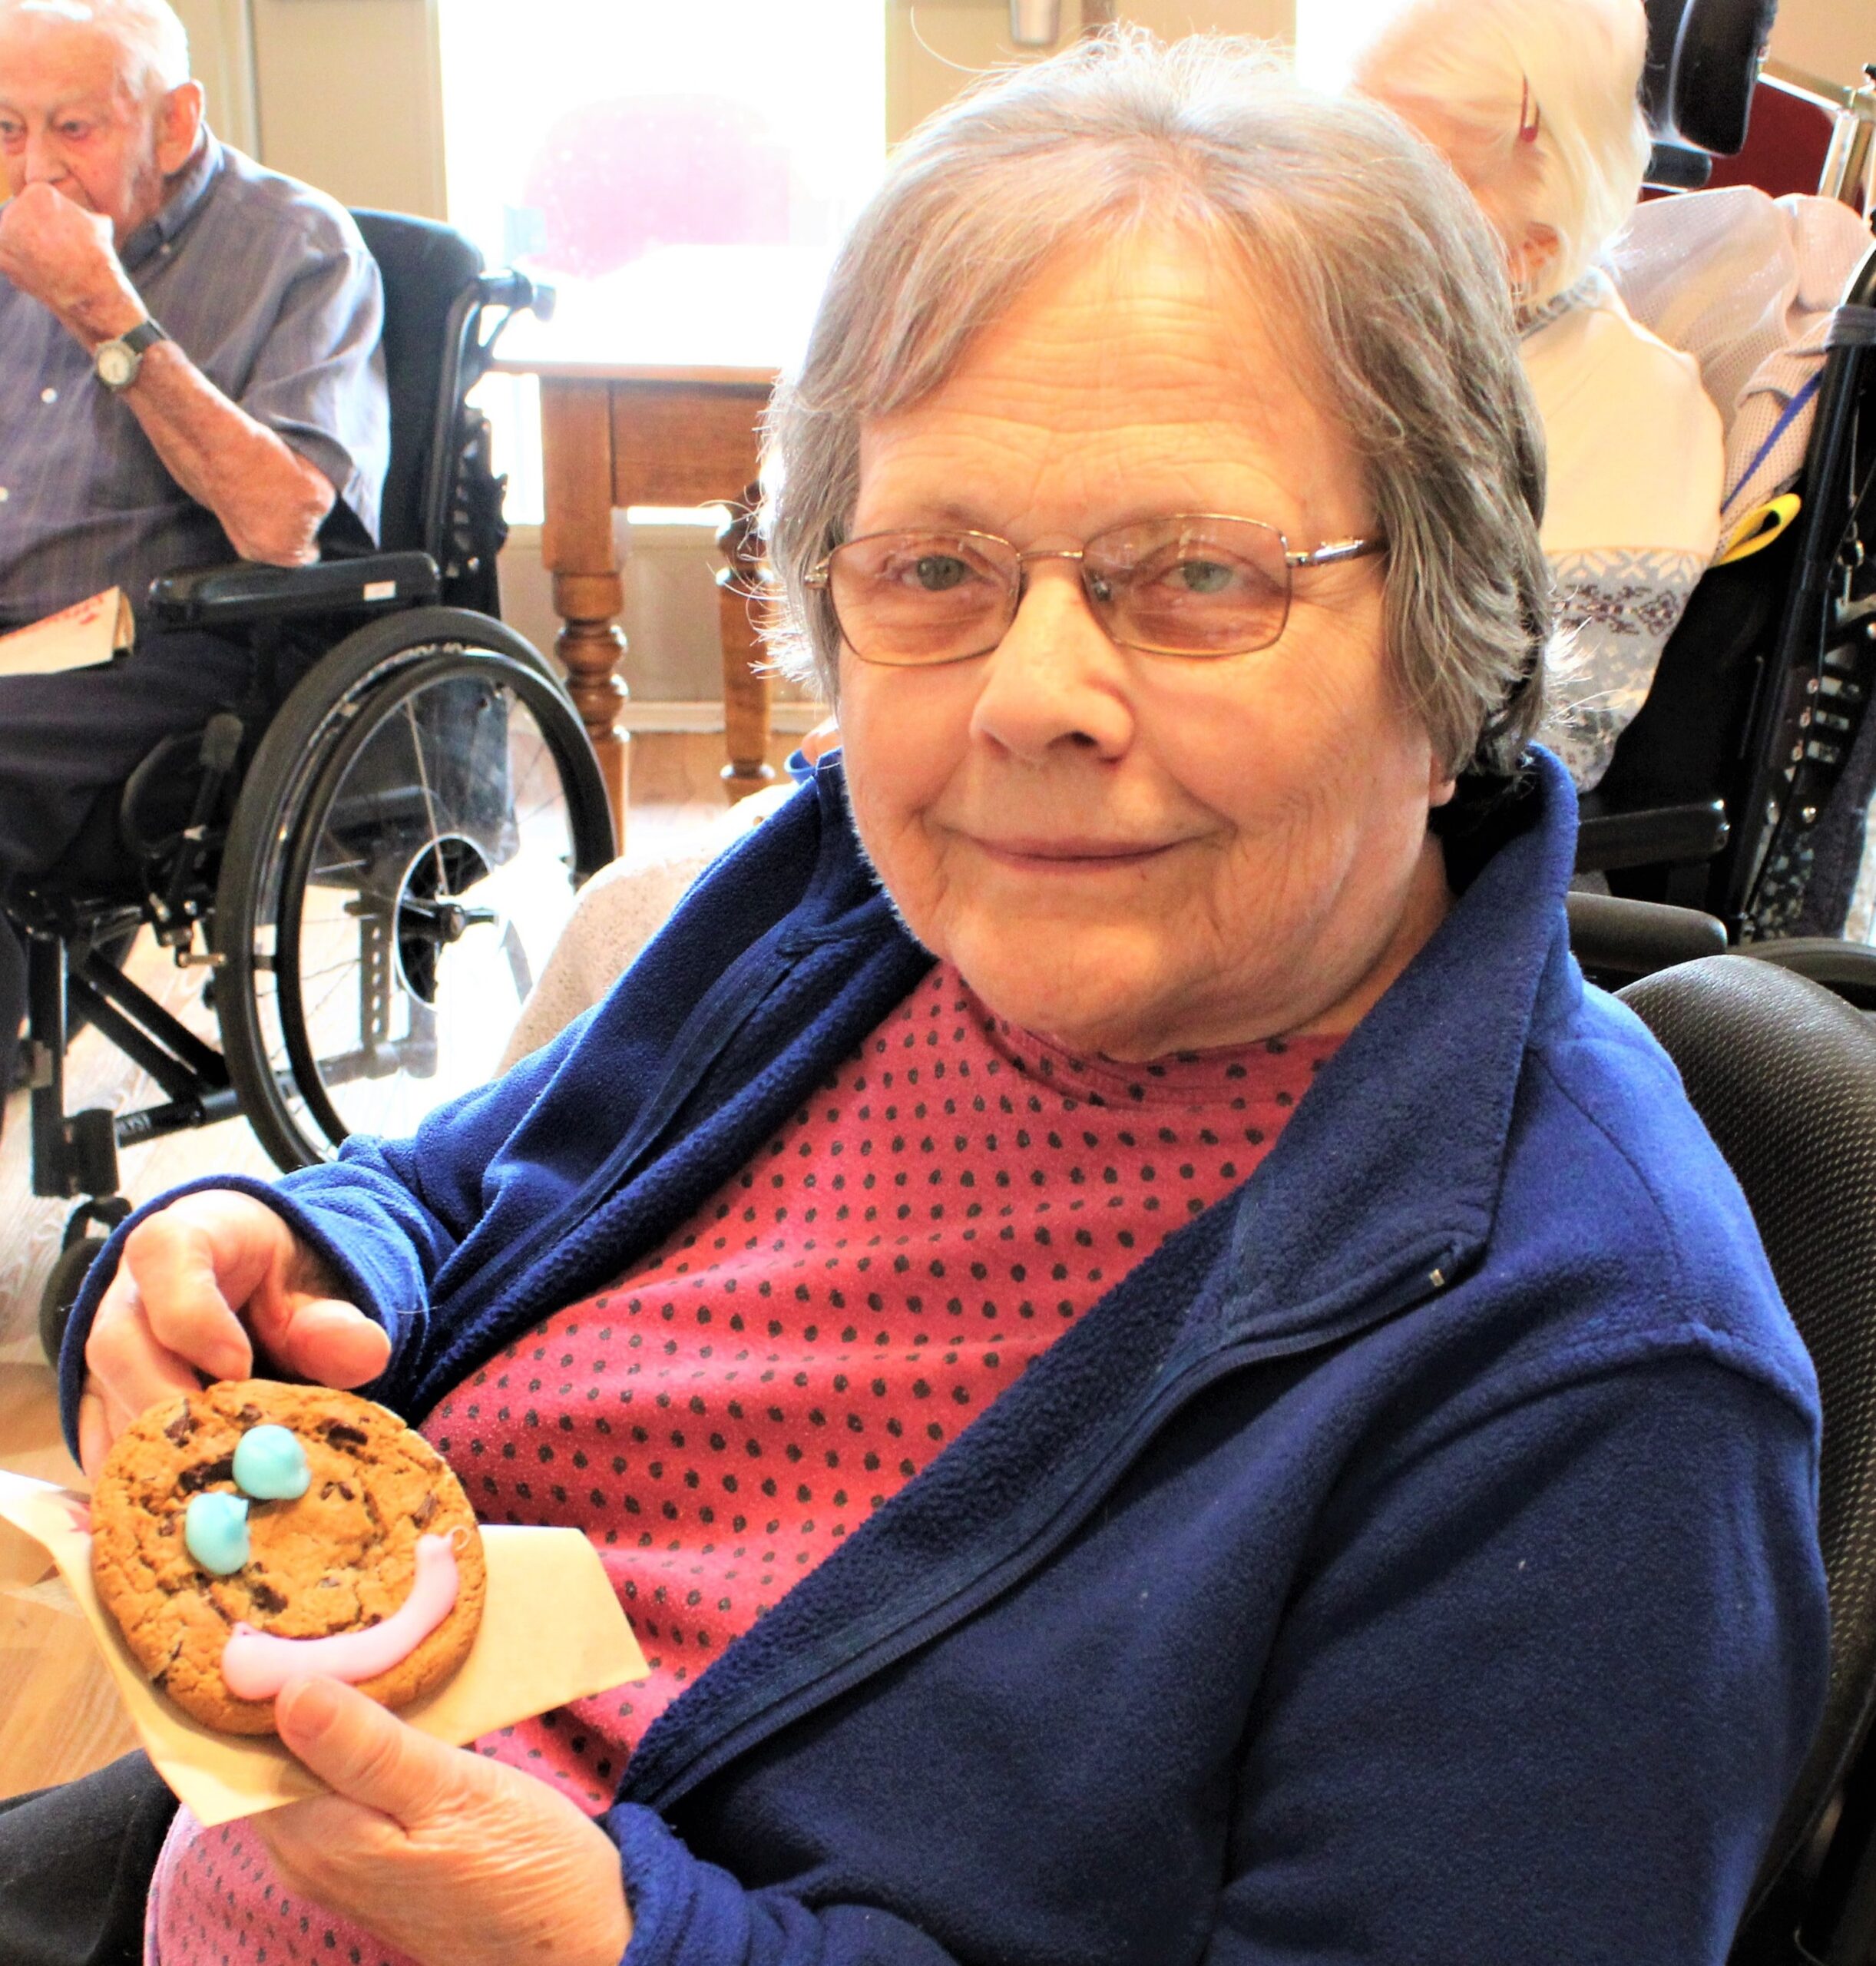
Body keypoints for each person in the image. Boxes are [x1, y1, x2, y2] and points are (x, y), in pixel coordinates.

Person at [31, 32, 1826, 1966]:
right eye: (935, 567)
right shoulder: (848, 903)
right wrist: (285, 1244)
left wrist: (620, 1940)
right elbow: (478, 1183)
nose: (1026, 694)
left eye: (1198, 573)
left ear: (1451, 624)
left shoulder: (1597, 1380)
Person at [0, 0, 389, 1107]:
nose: (35, 171)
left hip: (177, 642)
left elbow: (283, 523)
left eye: (72, 130)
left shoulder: (300, 249)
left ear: (172, 125)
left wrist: (97, 306)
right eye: (5, 131)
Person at [1348, 0, 1725, 789]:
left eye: (1407, 181)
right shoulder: (1365, 343)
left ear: (1529, 249)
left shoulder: (1636, 408)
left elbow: (1547, 746)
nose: (1347, 205)